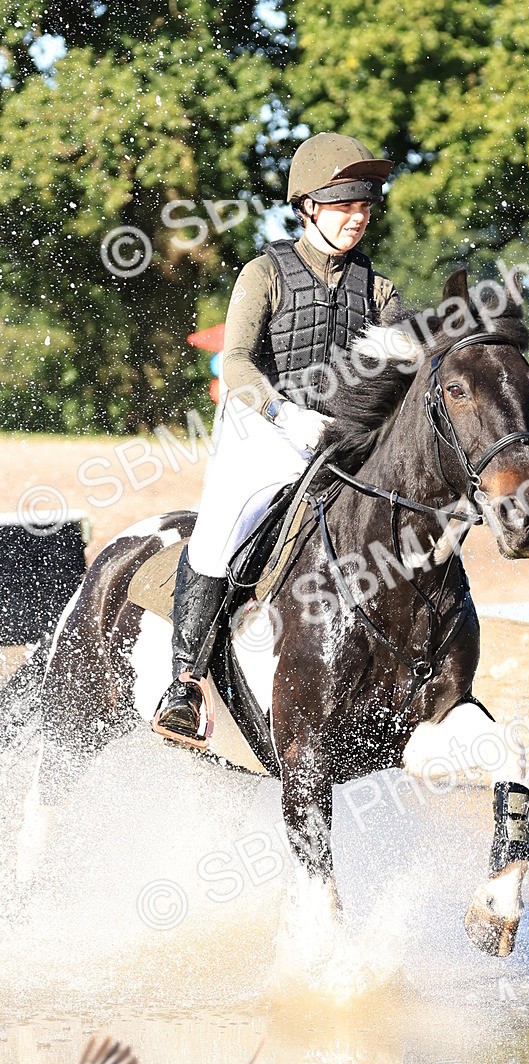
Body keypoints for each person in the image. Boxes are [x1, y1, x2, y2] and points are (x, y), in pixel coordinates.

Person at [153, 133, 402, 743]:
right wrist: (284, 414)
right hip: (262, 428)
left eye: (365, 206)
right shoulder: (263, 273)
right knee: (218, 535)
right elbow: (235, 363)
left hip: (342, 437)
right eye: (344, 205)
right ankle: (184, 683)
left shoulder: (379, 290)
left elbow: (403, 365)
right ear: (309, 206)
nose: (357, 217)